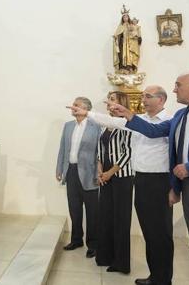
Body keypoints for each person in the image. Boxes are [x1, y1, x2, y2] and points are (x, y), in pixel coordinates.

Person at [108, 72, 189, 285]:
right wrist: (128, 115)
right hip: (188, 189)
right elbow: (152, 131)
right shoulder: (179, 115)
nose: (175, 89)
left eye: (178, 85)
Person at [69, 86, 174, 285]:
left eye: (148, 96)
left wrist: (127, 114)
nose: (143, 99)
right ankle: (156, 277)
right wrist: (87, 113)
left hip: (159, 181)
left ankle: (163, 279)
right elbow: (111, 121)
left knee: (161, 234)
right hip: (141, 180)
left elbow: (152, 132)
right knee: (150, 234)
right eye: (143, 96)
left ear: (161, 100)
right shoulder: (140, 119)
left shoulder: (170, 119)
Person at [56, 97, 101, 258]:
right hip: (71, 171)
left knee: (92, 211)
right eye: (73, 104)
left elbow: (99, 152)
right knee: (74, 208)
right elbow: (63, 148)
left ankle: (93, 244)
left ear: (85, 108)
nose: (73, 107)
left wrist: (98, 173)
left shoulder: (95, 126)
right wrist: (59, 168)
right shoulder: (68, 126)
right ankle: (76, 240)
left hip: (89, 173)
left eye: (76, 105)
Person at [94, 91, 133, 274]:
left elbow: (128, 152)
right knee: (106, 216)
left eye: (112, 100)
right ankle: (105, 256)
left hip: (121, 176)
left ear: (121, 102)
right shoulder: (105, 125)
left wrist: (110, 172)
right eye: (108, 100)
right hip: (106, 176)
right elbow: (100, 150)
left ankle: (121, 262)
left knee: (121, 220)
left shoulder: (127, 123)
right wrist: (100, 170)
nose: (108, 103)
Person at [113, 6, 141, 73]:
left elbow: (135, 33)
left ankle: (130, 68)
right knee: (122, 55)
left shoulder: (131, 25)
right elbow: (117, 34)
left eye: (127, 17)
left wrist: (137, 37)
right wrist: (116, 37)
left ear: (128, 18)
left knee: (130, 55)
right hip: (122, 44)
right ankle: (122, 68)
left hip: (130, 44)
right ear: (122, 18)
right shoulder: (120, 26)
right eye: (124, 17)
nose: (125, 18)